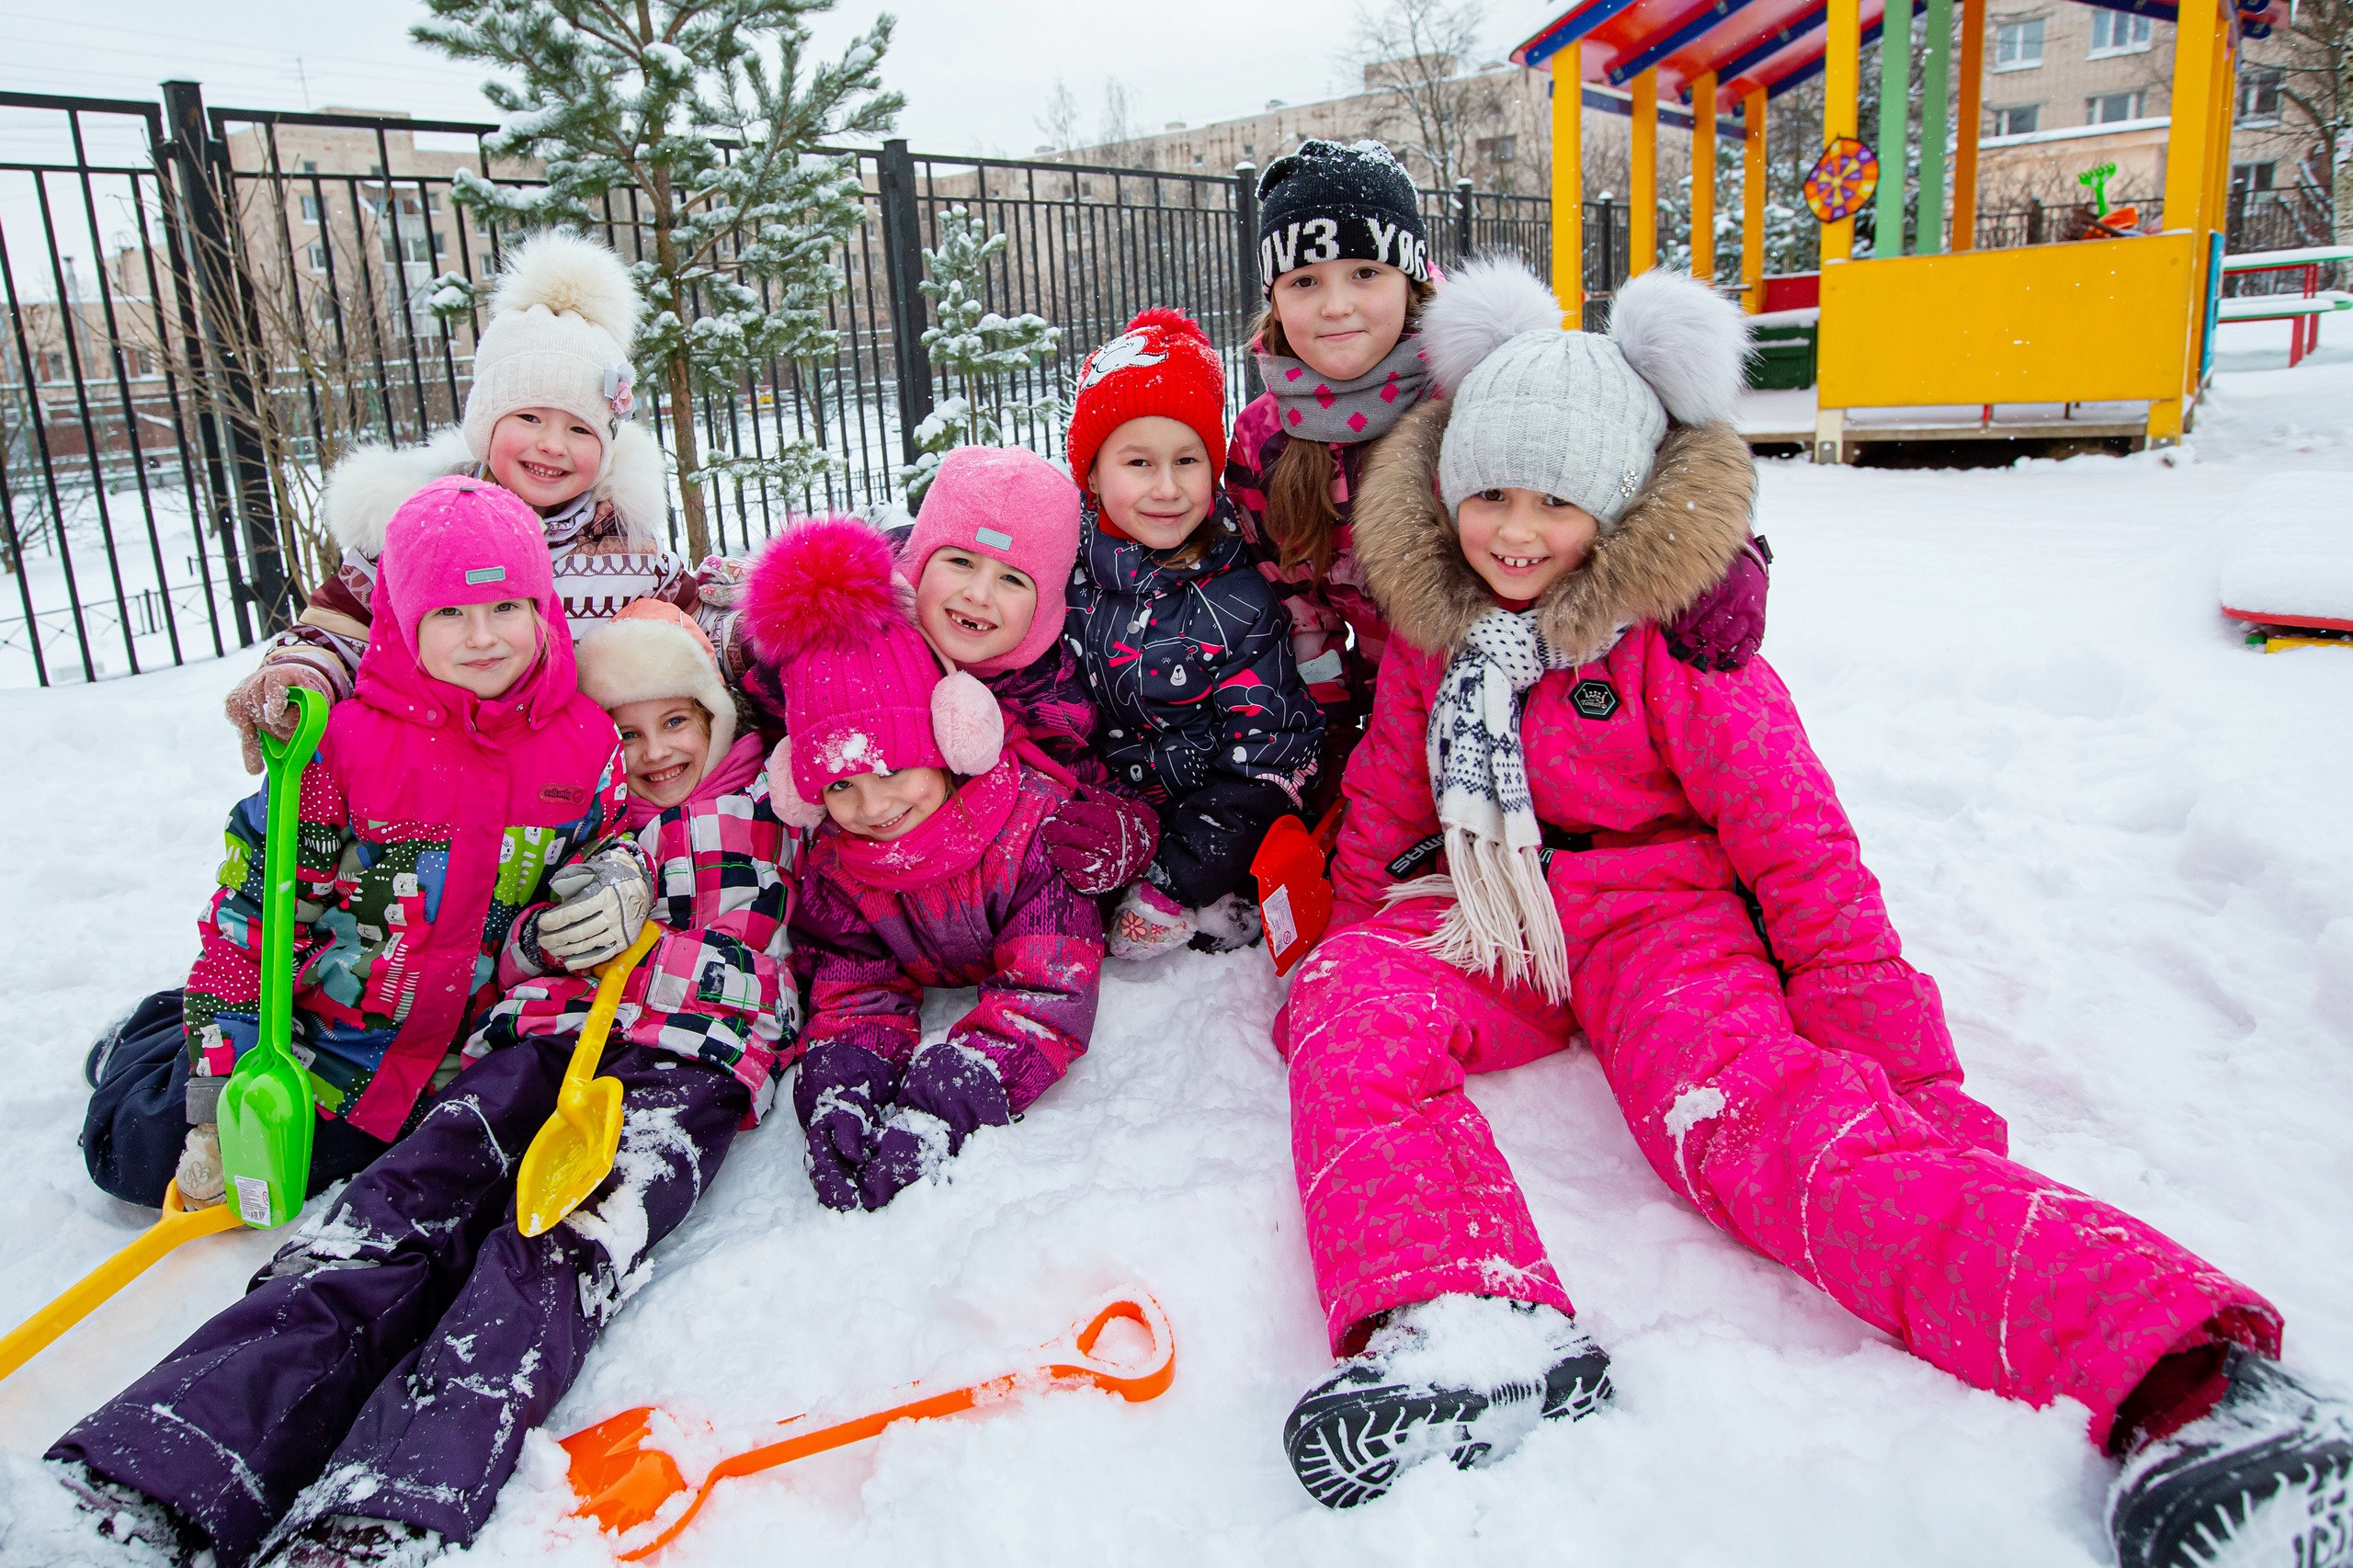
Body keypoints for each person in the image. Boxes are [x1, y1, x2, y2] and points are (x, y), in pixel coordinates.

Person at [1270, 258, 2351, 1568]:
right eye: (1488, 493)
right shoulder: (1444, 624)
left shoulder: (1682, 642)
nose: (1513, 529)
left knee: (1754, 1129)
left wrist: (1902, 1068)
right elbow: (1394, 777)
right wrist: (1360, 931)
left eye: (1553, 500)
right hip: (1493, 901)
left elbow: (1802, 856)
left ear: (1612, 503)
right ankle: (1457, 1323)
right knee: (1346, 1005)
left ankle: (2189, 1382)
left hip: (1655, 918)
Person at [49, 477, 683, 1568]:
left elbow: (610, 838)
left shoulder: (581, 745)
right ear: (399, 617)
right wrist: (218, 1097)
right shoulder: (338, 753)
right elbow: (246, 928)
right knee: (138, 1153)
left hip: (443, 1064)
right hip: (316, 1050)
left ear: (543, 609)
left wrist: (623, 874)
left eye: (506, 608)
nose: (482, 636)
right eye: (449, 613)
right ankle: (143, 1043)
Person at [1222, 139, 1771, 800]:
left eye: (1365, 272)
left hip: (1534, 689)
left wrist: (1714, 556)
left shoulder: (1488, 376)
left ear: (1412, 277)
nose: (1336, 305)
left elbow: (1645, 449)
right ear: (1275, 300)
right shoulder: (1264, 436)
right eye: (1304, 282)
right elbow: (1291, 601)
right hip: (1389, 709)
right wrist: (1333, 727)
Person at [220, 230, 744, 778]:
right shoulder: (417, 531)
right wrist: (300, 674)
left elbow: (687, 624)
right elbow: (340, 628)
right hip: (446, 791)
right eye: (529, 418)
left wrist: (755, 632)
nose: (553, 445)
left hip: (585, 798)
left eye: (580, 429)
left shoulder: (623, 542)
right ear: (485, 424)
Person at [742, 516, 1103, 1211]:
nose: (872, 806)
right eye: (839, 785)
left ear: (951, 737)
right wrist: (843, 1086)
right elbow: (853, 989)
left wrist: (947, 1099)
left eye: (893, 769)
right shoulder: (841, 868)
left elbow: (1047, 994)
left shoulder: (1032, 831)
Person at [1062, 307, 1324, 957]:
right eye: (1139, 463)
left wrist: (1176, 878)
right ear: (1093, 473)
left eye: (1187, 460)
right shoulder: (1060, 572)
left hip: (1218, 822)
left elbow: (1268, 748)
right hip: (1109, 810)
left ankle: (1207, 902)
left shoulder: (1236, 594)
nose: (1168, 488)